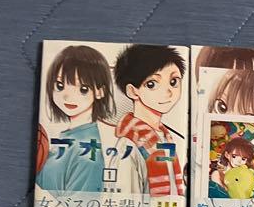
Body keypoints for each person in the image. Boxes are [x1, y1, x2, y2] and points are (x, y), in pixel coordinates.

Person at [36, 45, 116, 194]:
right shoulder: (69, 136)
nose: (67, 96)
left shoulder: (88, 151)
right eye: (60, 86)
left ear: (100, 92)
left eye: (83, 89)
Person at [113, 45, 186, 197]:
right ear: (133, 91)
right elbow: (126, 201)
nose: (168, 92)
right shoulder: (129, 143)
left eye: (173, 81)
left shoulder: (165, 136)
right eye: (152, 84)